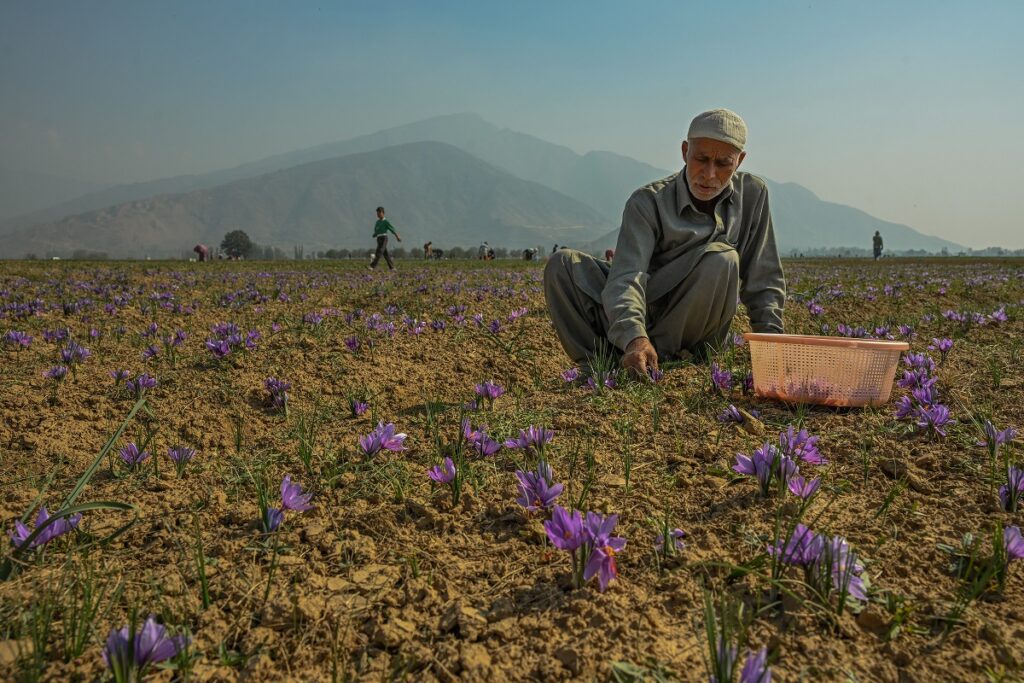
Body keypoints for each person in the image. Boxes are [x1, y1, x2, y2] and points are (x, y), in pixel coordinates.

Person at [544, 108, 785, 377]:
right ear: (685, 152)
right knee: (563, 264)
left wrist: (773, 346)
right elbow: (627, 277)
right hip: (648, 306)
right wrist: (634, 336)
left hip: (694, 328)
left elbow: (764, 277)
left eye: (723, 164)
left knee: (722, 258)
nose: (709, 174)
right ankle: (603, 363)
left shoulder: (752, 195)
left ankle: (672, 360)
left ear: (739, 161)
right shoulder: (648, 202)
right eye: (701, 159)